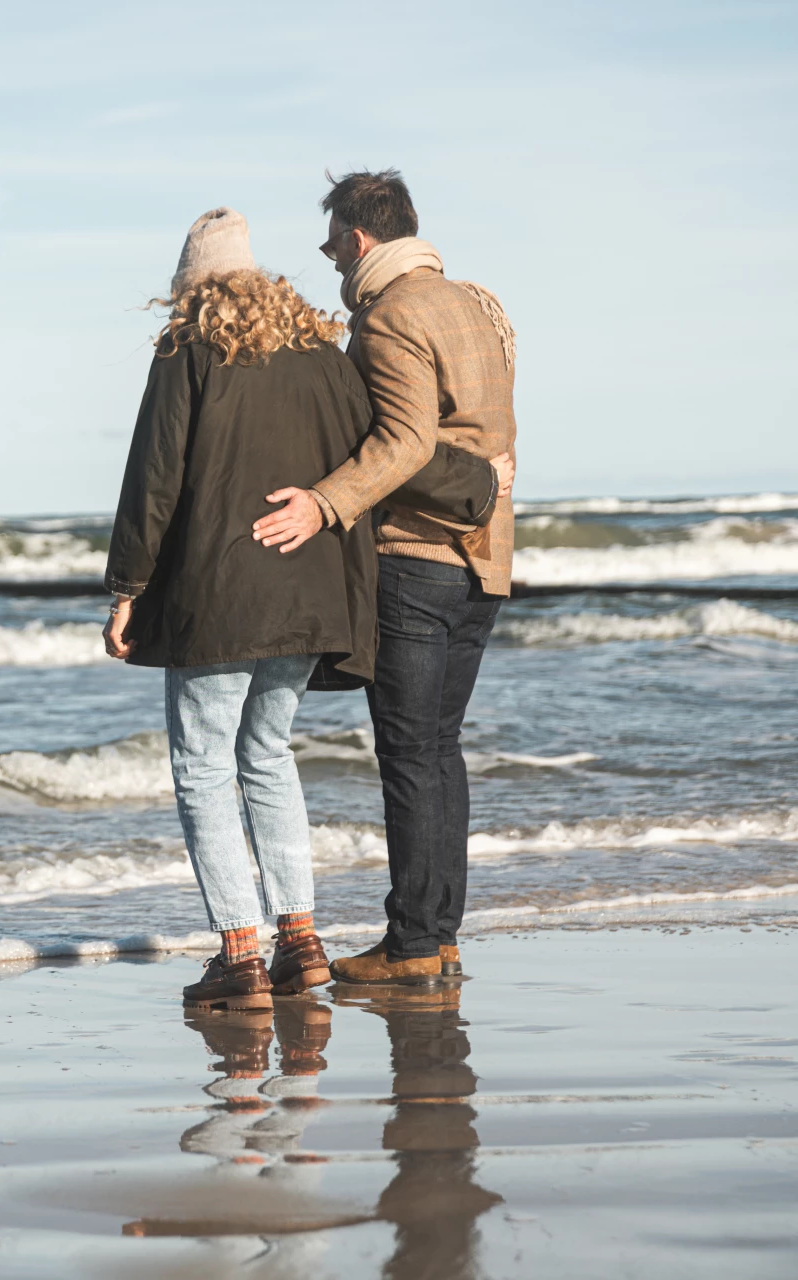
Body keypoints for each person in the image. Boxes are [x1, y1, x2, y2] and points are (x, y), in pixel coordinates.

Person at [103, 208, 497, 1012]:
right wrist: (481, 486)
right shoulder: (321, 349)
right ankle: (300, 941)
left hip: (218, 595)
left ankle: (239, 955)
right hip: (311, 586)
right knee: (268, 756)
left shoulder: (188, 345)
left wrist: (128, 587)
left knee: (204, 767)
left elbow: (156, 474)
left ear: (192, 285)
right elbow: (390, 448)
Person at [251, 170, 518, 985]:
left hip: (415, 558)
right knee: (439, 752)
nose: (330, 258)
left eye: (332, 242)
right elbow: (483, 438)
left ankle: (412, 946)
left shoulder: (391, 315)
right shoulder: (478, 303)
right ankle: (435, 937)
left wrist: (323, 504)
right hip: (486, 560)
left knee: (409, 755)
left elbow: (402, 442)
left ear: (360, 239)